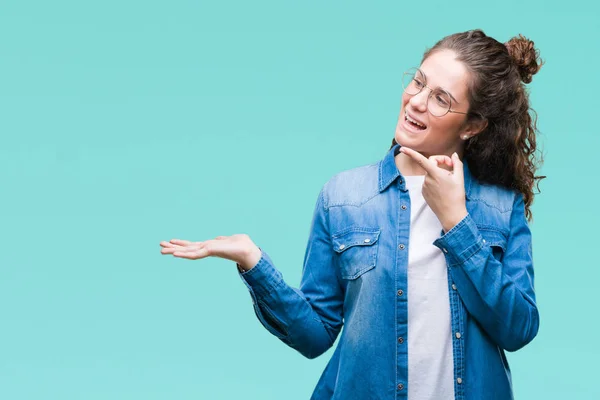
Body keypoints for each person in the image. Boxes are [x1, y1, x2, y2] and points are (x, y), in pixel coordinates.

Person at [160, 29, 545, 400]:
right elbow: (315, 335)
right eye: (418, 82)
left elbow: (519, 329)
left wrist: (457, 224)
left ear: (473, 125)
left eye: (441, 98)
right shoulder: (344, 198)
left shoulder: (499, 207)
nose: (416, 101)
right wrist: (253, 262)